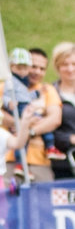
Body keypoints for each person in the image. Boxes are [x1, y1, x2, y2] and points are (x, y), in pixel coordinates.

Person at [0, 48, 62, 182]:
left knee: (42, 202)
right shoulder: (5, 87)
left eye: (42, 69)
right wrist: (21, 123)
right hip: (8, 159)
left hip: (39, 161)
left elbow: (54, 119)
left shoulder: (46, 90)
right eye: (33, 67)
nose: (37, 72)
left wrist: (28, 131)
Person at [51, 42, 75, 180]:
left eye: (74, 64)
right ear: (57, 67)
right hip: (62, 165)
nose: (70, 69)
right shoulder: (50, 93)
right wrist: (69, 139)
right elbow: (46, 129)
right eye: (65, 64)